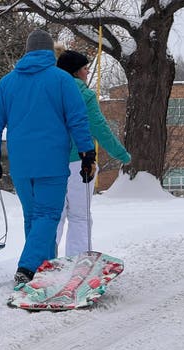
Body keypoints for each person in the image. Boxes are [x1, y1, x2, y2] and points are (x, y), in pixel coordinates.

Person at [0, 30, 97, 284]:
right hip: (52, 162)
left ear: (27, 51)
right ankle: (28, 267)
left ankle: (46, 269)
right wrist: (87, 153)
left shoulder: (8, 83)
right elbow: (78, 119)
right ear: (49, 52)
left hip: (21, 165)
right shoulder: (61, 80)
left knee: (33, 217)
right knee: (47, 215)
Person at [55, 49, 131, 257]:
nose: (88, 73)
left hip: (51, 162)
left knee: (54, 215)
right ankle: (78, 262)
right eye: (86, 69)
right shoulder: (85, 96)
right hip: (80, 162)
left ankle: (44, 262)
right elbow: (100, 129)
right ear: (76, 72)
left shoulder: (49, 92)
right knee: (79, 216)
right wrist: (122, 155)